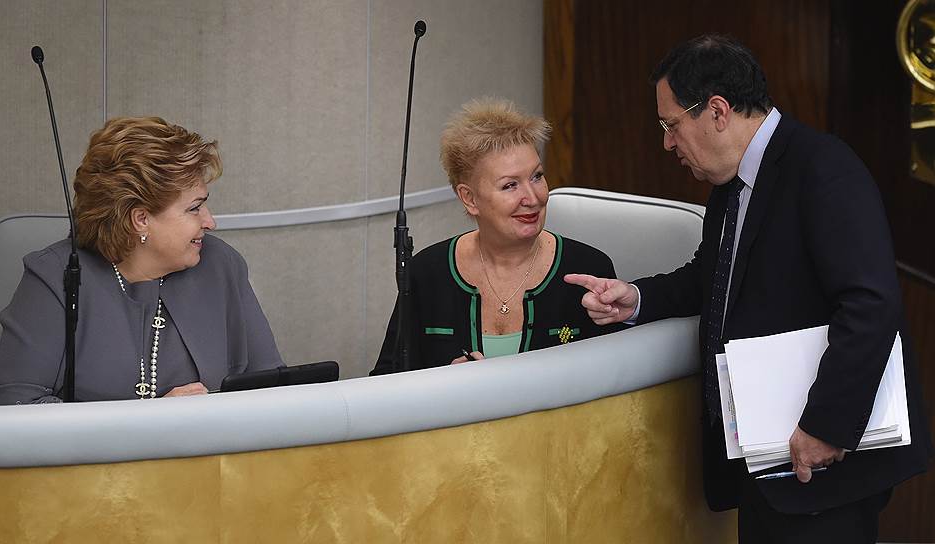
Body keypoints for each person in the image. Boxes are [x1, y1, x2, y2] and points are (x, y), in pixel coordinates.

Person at [565, 35, 931, 542]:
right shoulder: (731, 184)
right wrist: (636, 298)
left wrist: (826, 426)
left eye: (671, 125)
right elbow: (714, 276)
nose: (668, 143)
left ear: (717, 111)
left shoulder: (823, 168)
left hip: (823, 465)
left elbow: (870, 305)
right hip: (764, 460)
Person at [0, 117, 284, 404]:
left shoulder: (220, 264)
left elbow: (271, 390)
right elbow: (13, 405)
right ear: (140, 219)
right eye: (194, 208)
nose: (210, 222)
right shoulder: (54, 277)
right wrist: (148, 422)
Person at [372, 98, 623, 374]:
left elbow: (617, 378)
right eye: (510, 185)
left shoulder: (588, 269)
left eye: (537, 176)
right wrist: (444, 383)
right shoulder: (427, 272)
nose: (533, 198)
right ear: (469, 199)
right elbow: (386, 379)